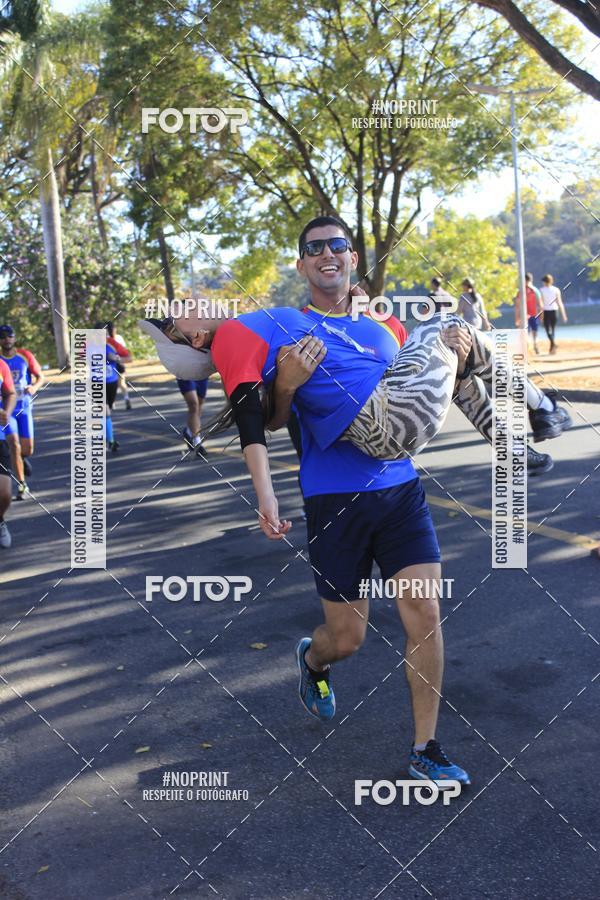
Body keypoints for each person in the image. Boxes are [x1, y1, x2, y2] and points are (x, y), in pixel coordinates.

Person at [141, 217, 571, 786]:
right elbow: (259, 417)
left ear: (350, 259)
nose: (191, 304)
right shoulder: (256, 329)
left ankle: (426, 749)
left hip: (399, 488)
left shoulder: (377, 328)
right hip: (335, 498)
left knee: (425, 610)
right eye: (180, 313)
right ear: (188, 338)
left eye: (337, 245)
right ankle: (313, 660)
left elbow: (419, 380)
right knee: (347, 638)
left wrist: (454, 344)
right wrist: (274, 454)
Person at [0, 324, 44, 500]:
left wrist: (34, 386)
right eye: (2, 336)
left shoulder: (24, 356)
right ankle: (21, 484)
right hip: (6, 411)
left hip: (24, 408)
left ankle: (20, 458)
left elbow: (41, 376)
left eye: (9, 336)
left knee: (27, 449)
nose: (6, 339)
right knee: (14, 444)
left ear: (14, 337)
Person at [94, 323, 131, 452]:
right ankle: (110, 441)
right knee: (104, 411)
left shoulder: (113, 344)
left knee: (106, 410)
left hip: (112, 382)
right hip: (96, 383)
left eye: (105, 334)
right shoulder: (88, 345)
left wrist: (115, 358)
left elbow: (129, 358)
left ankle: (105, 437)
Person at [0, 357, 17, 547]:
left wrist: (7, 412)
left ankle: (0, 521)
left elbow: (10, 393)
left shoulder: (1, 365)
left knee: (4, 493)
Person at [177, 377, 208, 454]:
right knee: (193, 404)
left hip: (201, 373)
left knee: (200, 403)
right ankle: (196, 441)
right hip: (184, 373)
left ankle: (189, 430)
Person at [514, 273, 543, 355]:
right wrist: (541, 316)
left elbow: (517, 306)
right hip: (531, 315)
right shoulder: (535, 290)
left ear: (524, 280)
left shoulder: (521, 291)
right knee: (533, 332)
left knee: (527, 332)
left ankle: (530, 348)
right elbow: (541, 305)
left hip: (526, 315)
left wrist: (516, 318)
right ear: (531, 279)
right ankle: (534, 346)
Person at [106, 323, 132, 409]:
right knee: (121, 383)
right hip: (119, 364)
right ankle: (126, 398)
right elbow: (124, 352)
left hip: (111, 365)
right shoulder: (118, 338)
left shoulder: (108, 341)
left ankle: (111, 402)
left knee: (111, 383)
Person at [540, 274, 567, 354]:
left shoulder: (541, 290)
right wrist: (564, 314)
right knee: (553, 329)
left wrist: (541, 315)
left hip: (546, 311)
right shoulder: (556, 290)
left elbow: (541, 304)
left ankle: (553, 345)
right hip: (555, 311)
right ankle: (552, 347)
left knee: (548, 329)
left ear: (544, 282)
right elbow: (560, 303)